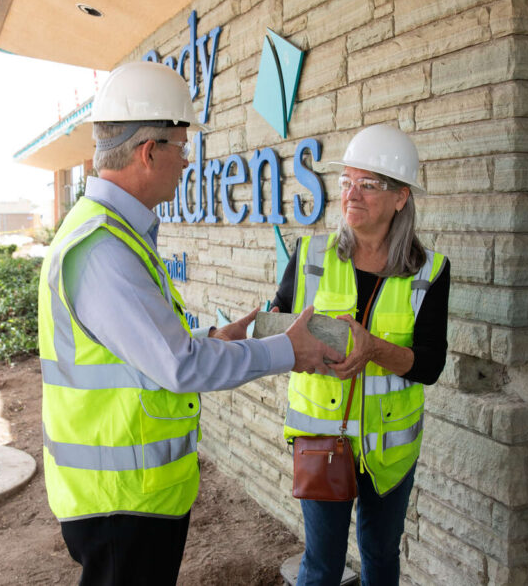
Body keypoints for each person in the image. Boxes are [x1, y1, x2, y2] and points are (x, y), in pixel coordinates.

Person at [37, 60, 342, 586]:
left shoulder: (113, 235)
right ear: (147, 151)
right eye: (182, 150)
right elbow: (177, 368)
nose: (187, 164)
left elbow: (143, 350)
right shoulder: (102, 248)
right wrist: (288, 351)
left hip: (133, 496)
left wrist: (212, 339)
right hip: (119, 502)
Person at [273, 124, 451, 586]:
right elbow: (278, 330)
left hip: (389, 452)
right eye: (348, 181)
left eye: (369, 184)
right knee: (321, 567)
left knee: (379, 558)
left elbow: (430, 364)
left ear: (400, 198)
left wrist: (373, 349)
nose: (352, 194)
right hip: (321, 442)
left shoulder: (430, 271)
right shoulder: (310, 254)